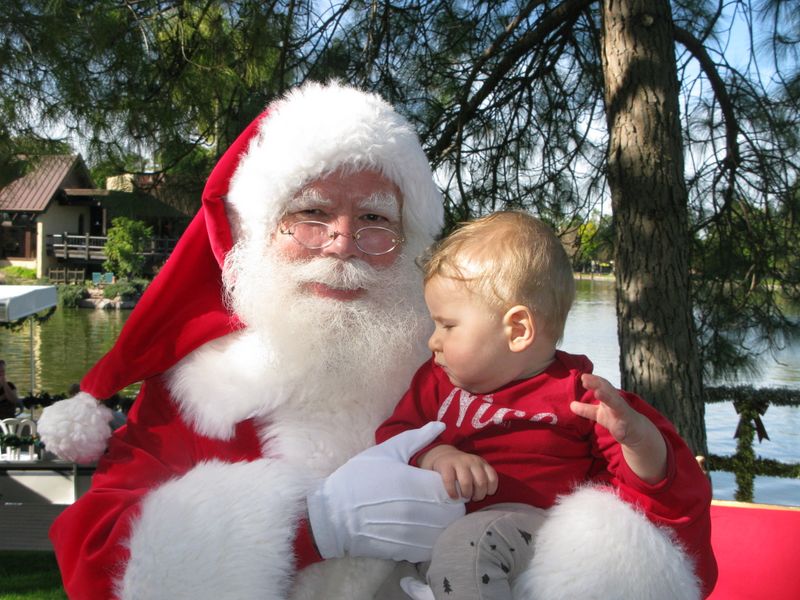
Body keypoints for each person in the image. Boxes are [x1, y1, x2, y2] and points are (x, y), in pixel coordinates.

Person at [39, 81, 463, 599]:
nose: (342, 244)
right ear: (260, 232)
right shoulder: (202, 387)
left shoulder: (461, 371)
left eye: (375, 219)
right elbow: (97, 554)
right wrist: (310, 528)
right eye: (311, 214)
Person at [376, 212, 717, 600]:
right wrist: (435, 454)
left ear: (517, 330)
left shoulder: (578, 396)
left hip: (532, 532)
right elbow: (393, 436)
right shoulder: (435, 382)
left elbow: (652, 483)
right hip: (440, 531)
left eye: (447, 325)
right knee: (383, 582)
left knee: (467, 547)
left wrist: (637, 440)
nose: (432, 341)